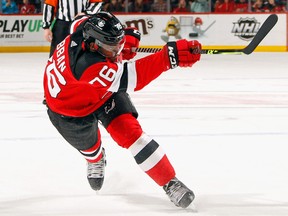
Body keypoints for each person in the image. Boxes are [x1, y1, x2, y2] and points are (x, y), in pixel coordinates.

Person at [43, 11, 201, 208]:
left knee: (132, 134)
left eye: (118, 44)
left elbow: (79, 19)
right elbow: (135, 77)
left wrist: (123, 36)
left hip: (102, 92)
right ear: (93, 44)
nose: (118, 51)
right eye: (112, 47)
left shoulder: (83, 27)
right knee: (91, 149)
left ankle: (170, 183)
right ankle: (96, 159)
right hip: (69, 112)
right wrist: (168, 57)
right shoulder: (87, 65)